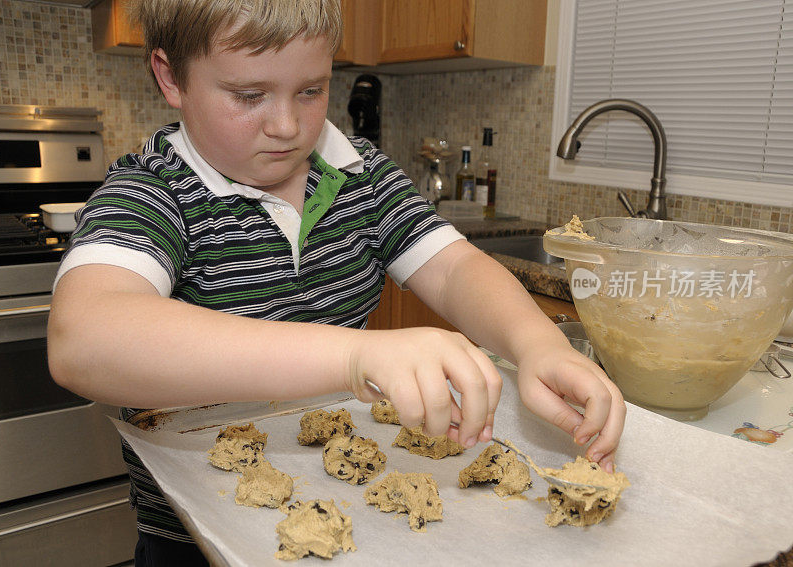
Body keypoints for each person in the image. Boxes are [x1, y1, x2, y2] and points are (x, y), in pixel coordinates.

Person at [47, 0, 625, 563]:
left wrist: (537, 344)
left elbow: (453, 269)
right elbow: (86, 339)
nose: (287, 125)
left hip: (350, 518)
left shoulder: (361, 177)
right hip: (196, 538)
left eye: (311, 89)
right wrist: (354, 356)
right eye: (249, 95)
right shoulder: (152, 191)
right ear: (171, 78)